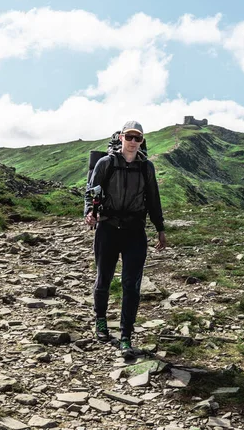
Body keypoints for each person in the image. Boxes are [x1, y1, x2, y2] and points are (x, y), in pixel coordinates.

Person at [84, 121, 167, 354]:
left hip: (134, 230)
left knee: (131, 284)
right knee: (104, 278)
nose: (132, 142)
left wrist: (160, 228)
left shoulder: (146, 167)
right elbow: (91, 193)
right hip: (108, 228)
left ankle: (126, 335)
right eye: (129, 137)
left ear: (142, 141)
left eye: (137, 138)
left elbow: (153, 199)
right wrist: (89, 214)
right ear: (121, 138)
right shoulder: (105, 163)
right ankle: (100, 321)